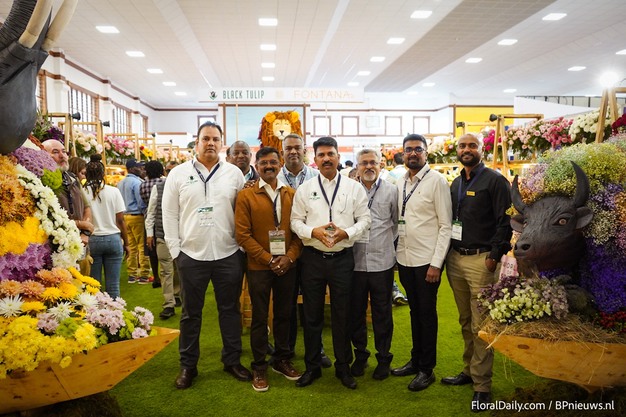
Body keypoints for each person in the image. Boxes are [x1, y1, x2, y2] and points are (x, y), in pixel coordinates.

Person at [162, 122, 251, 389]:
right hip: (191, 255)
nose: (210, 143)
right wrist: (176, 251)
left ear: (221, 144)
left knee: (230, 311)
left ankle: (232, 360)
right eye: (205, 139)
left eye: (215, 139)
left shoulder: (234, 174)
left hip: (228, 253)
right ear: (197, 142)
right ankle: (188, 365)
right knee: (191, 314)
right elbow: (169, 214)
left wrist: (241, 248)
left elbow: (243, 212)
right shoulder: (178, 174)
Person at [291, 136, 371, 390]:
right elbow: (295, 222)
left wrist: (346, 233)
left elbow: (365, 219)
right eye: (321, 155)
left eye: (330, 154)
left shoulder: (354, 188)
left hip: (342, 259)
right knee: (311, 315)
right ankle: (312, 367)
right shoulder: (305, 189)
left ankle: (343, 367)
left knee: (342, 315)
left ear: (338, 157)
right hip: (312, 259)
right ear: (314, 159)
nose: (326, 159)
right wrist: (312, 232)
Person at [442, 133, 512, 412]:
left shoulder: (495, 181)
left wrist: (494, 256)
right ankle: (469, 371)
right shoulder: (457, 182)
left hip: (482, 260)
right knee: (465, 320)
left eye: (472, 145)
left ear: (482, 149)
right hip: (456, 258)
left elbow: (505, 221)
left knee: (481, 324)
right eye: (462, 146)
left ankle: (482, 386)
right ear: (457, 151)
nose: (467, 149)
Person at [235, 146, 303, 392]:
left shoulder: (292, 194)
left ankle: (282, 359)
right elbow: (242, 235)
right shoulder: (246, 196)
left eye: (273, 162)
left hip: (287, 266)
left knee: (285, 314)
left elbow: (299, 231)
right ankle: (259, 365)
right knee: (259, 317)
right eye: (263, 163)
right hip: (258, 266)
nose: (269, 166)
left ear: (280, 164)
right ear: (257, 166)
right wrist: (268, 259)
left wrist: (289, 258)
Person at [391, 133, 452, 392]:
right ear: (403, 154)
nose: (413, 153)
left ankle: (427, 369)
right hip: (405, 259)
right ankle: (416, 360)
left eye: (418, 149)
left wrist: (436, 264)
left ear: (426, 153)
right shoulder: (400, 182)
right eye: (409, 150)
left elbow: (446, 226)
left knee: (426, 314)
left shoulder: (436, 181)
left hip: (427, 262)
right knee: (415, 312)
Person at [276, 134, 331, 368]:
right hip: (284, 248)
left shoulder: (317, 177)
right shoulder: (273, 177)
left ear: (304, 150)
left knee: (312, 303)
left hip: (311, 248)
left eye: (297, 148)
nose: (293, 152)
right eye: (288, 148)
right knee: (286, 303)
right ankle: (286, 351)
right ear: (282, 153)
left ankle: (317, 350)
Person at [350, 148, 398, 381]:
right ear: (357, 167)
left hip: (382, 262)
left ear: (381, 165)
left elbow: (396, 224)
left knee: (382, 313)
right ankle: (360, 355)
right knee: (356, 313)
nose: (368, 167)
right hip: (355, 263)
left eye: (373, 162)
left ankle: (383, 357)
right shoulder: (350, 191)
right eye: (364, 163)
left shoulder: (392, 190)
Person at [83, 155, 129, 299]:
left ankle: (94, 312)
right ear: (103, 174)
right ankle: (115, 311)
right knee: (113, 285)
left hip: (92, 239)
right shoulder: (113, 191)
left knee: (93, 285)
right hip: (113, 239)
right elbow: (120, 220)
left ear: (86, 174)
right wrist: (127, 243)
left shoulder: (82, 192)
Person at [42, 139, 94, 254]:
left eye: (64, 151)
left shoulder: (73, 178)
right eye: (55, 152)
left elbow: (87, 207)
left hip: (80, 246)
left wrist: (85, 233)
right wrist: (80, 224)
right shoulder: (40, 181)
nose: (62, 156)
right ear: (43, 155)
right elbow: (45, 219)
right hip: (55, 249)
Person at [145, 162, 182, 320]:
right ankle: (168, 304)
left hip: (182, 236)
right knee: (166, 270)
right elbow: (151, 212)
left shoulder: (185, 187)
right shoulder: (158, 188)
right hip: (162, 235)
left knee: (179, 268)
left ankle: (177, 294)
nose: (171, 173)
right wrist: (149, 233)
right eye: (168, 170)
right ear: (165, 172)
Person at [118, 158, 151, 284]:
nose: (141, 169)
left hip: (124, 217)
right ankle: (144, 275)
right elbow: (141, 202)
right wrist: (146, 214)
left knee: (131, 246)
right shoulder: (137, 183)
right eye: (138, 167)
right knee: (142, 246)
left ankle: (132, 274)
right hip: (137, 216)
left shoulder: (120, 183)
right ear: (131, 169)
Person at [140, 160, 165, 289]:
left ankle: (156, 277)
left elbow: (143, 202)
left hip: (148, 218)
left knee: (151, 249)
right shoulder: (163, 183)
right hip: (162, 218)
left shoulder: (143, 185)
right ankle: (165, 274)